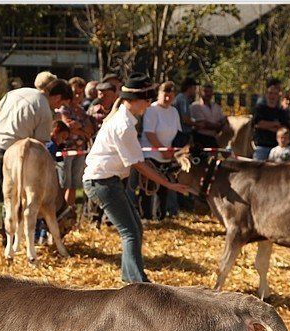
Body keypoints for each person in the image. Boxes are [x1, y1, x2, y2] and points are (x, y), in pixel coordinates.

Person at [82, 73, 191, 283]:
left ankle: (130, 278)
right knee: (130, 232)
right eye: (146, 99)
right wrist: (168, 183)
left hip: (107, 181)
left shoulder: (123, 119)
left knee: (134, 229)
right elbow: (138, 164)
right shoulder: (123, 125)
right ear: (132, 100)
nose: (149, 104)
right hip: (102, 182)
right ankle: (138, 283)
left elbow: (137, 161)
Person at [0, 78, 73, 253]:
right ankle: (8, 243)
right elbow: (38, 145)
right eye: (60, 104)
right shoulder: (44, 110)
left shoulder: (16, 92)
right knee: (12, 196)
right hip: (13, 152)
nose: (58, 108)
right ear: (58, 97)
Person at [139, 81, 182, 221]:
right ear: (159, 94)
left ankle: (160, 217)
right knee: (148, 186)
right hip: (151, 153)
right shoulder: (151, 110)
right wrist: (162, 149)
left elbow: (178, 133)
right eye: (165, 95)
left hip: (167, 154)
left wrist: (174, 152)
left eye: (171, 95)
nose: (168, 98)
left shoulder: (174, 111)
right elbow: (149, 133)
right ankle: (145, 216)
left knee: (164, 187)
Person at [57, 77, 95, 207]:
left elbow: (90, 129)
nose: (78, 96)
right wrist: (81, 130)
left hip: (80, 151)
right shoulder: (64, 109)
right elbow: (67, 126)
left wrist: (79, 127)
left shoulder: (82, 110)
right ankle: (59, 209)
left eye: (81, 93)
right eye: (75, 93)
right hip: (65, 151)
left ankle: (70, 209)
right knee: (63, 184)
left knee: (74, 185)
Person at [251, 78, 288, 161]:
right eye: (270, 93)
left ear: (278, 95)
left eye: (275, 94)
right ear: (266, 94)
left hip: (277, 148)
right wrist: (275, 124)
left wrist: (266, 125)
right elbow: (258, 124)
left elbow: (283, 129)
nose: (272, 96)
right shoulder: (260, 108)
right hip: (261, 146)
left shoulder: (281, 112)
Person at [190, 82, 227, 149]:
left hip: (213, 138)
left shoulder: (216, 106)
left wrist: (220, 124)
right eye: (206, 91)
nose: (208, 94)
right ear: (201, 92)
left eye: (210, 92)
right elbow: (204, 124)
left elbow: (223, 119)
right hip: (200, 139)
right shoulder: (195, 106)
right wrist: (218, 125)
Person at [172, 77, 197, 145]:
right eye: (194, 88)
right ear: (189, 88)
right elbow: (185, 119)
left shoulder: (180, 98)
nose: (195, 91)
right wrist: (198, 124)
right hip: (182, 134)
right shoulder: (183, 99)